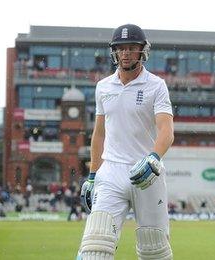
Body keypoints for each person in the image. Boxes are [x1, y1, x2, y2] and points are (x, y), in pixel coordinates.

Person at [77, 24, 174, 260]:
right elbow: (99, 134)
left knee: (154, 249)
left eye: (131, 48)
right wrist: (92, 175)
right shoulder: (103, 87)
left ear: (143, 51)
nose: (126, 53)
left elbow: (166, 130)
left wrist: (153, 158)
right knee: (94, 247)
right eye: (121, 49)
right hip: (110, 172)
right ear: (114, 52)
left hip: (147, 173)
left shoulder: (156, 85)